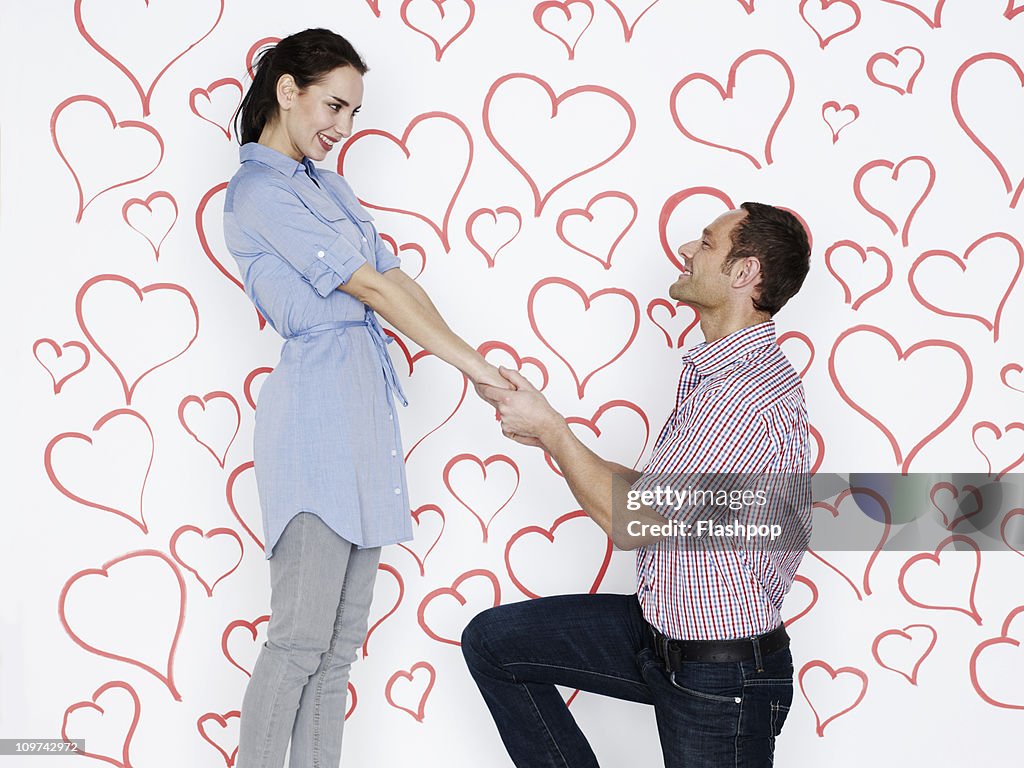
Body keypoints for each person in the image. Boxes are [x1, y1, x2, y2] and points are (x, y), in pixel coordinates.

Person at [223, 28, 506, 768]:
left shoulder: (328, 187)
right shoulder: (257, 191)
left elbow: (397, 280)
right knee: (298, 640)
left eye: (353, 113)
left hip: (363, 422)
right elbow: (370, 288)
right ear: (288, 90)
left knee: (340, 647)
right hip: (315, 422)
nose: (342, 128)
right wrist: (472, 367)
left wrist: (475, 358)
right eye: (333, 106)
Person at [466, 203, 812, 768]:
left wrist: (552, 432)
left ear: (744, 273)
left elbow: (634, 523)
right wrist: (551, 425)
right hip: (657, 634)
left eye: (706, 243)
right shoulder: (714, 374)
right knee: (494, 643)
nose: (686, 250)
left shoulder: (745, 393)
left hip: (719, 677)